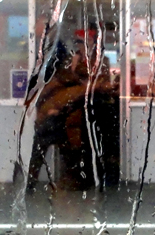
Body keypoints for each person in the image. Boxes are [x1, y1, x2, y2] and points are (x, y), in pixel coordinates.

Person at [28, 29, 120, 191]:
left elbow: (101, 82)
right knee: (59, 143)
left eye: (85, 42)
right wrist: (76, 72)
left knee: (85, 145)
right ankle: (34, 180)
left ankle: (89, 179)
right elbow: (62, 78)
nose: (82, 46)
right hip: (69, 111)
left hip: (90, 110)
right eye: (79, 43)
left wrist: (84, 82)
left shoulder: (101, 60)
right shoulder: (70, 60)